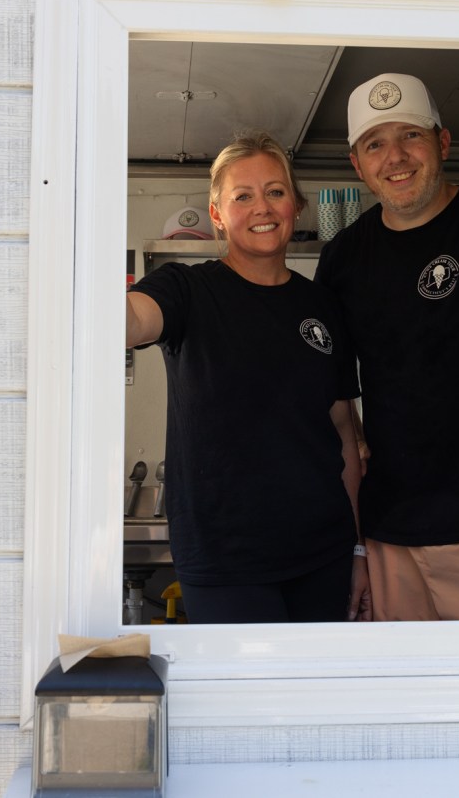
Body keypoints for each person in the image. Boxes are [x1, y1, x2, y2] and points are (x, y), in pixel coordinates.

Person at [127, 131, 371, 624]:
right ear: (218, 213)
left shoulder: (322, 306)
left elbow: (344, 432)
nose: (262, 207)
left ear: (296, 206)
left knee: (314, 699)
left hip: (322, 555)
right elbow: (132, 321)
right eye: (243, 196)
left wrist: (359, 549)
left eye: (275, 192)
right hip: (225, 563)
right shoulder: (187, 290)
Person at [313, 73, 459, 622]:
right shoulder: (343, 257)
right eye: (375, 144)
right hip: (390, 527)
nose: (395, 157)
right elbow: (337, 401)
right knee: (409, 698)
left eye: (410, 136)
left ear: (442, 142)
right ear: (357, 164)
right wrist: (358, 546)